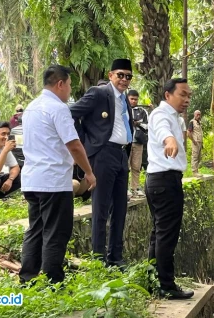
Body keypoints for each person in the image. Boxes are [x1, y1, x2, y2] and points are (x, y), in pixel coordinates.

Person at [19, 65, 96, 284]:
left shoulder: (31, 107)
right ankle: (53, 281)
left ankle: (28, 278)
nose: (70, 90)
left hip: (33, 180)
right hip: (53, 181)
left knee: (36, 229)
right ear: (60, 84)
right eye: (70, 85)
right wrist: (89, 173)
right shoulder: (58, 108)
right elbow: (74, 145)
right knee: (56, 232)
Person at [70, 59, 134, 268]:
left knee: (120, 208)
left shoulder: (125, 100)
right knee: (101, 207)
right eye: (120, 75)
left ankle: (116, 256)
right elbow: (71, 113)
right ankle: (99, 258)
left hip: (121, 154)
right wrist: (87, 143)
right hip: (103, 153)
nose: (124, 80)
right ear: (110, 75)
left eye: (128, 76)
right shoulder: (99, 93)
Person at [146, 78, 194, 299]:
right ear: (167, 95)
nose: (187, 99)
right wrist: (170, 141)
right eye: (182, 94)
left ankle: (154, 280)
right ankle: (166, 285)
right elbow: (162, 131)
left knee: (160, 233)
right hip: (164, 181)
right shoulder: (160, 114)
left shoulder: (175, 117)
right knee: (166, 235)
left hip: (162, 180)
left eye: (188, 95)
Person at [128, 89, 148, 197]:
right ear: (128, 99)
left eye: (135, 99)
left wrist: (137, 124)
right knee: (125, 167)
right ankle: (125, 189)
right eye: (131, 99)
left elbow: (147, 126)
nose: (134, 101)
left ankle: (135, 188)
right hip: (126, 142)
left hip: (138, 142)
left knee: (136, 166)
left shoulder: (142, 111)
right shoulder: (123, 110)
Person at [187, 110, 203, 175]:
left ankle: (197, 171)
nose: (198, 116)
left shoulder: (199, 123)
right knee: (195, 157)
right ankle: (194, 172)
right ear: (194, 115)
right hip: (195, 142)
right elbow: (188, 133)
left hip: (200, 142)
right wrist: (193, 140)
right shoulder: (192, 122)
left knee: (199, 158)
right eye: (197, 115)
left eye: (199, 115)